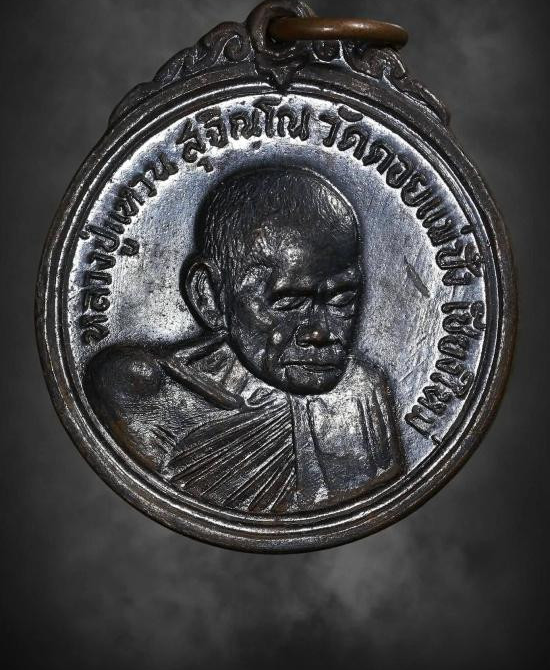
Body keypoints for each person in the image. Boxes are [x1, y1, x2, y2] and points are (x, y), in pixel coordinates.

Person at [85, 167, 402, 512]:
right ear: (209, 296)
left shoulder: (361, 393)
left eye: (341, 299)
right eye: (288, 302)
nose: (320, 332)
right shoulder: (144, 389)